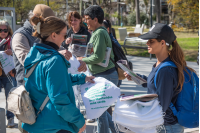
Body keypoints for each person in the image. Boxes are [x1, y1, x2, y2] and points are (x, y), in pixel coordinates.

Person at [11, 4, 86, 133]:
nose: (64, 40)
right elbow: (59, 98)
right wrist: (79, 121)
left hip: (38, 119)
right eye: (63, 35)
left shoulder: (35, 53)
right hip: (54, 122)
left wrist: (82, 77)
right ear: (53, 35)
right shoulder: (54, 59)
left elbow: (53, 81)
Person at [124, 23, 196, 133]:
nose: (147, 43)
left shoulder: (165, 70)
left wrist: (135, 106)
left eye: (151, 41)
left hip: (166, 127)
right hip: (163, 125)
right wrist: (136, 77)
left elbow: (161, 105)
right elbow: (155, 85)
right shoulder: (161, 64)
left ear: (162, 43)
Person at [77, 5, 120, 133]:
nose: (85, 22)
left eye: (87, 19)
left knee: (99, 112)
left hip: (105, 75)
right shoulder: (98, 32)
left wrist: (82, 59)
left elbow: (98, 57)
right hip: (105, 74)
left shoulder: (100, 32)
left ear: (95, 19)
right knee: (102, 112)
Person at [0, 20, 17, 128]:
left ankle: (10, 119)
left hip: (9, 74)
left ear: (8, 30)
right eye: (0, 30)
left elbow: (19, 54)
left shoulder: (13, 41)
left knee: (10, 98)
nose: (3, 32)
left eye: (5, 30)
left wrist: (12, 53)